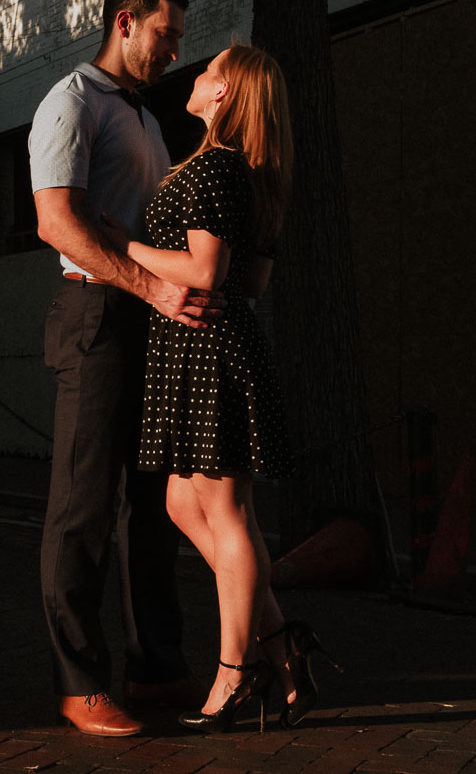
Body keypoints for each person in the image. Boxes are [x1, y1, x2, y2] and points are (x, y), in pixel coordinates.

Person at [112, 43, 338, 733]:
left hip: (207, 347)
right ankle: (281, 644)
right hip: (205, 345)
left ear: (226, 96)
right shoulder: (252, 174)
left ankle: (235, 676)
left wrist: (123, 247)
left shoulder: (214, 167)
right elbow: (255, 281)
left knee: (227, 512)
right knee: (185, 502)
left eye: (210, 71)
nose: (198, 76)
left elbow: (206, 271)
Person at [28, 0, 217, 738]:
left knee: (149, 507)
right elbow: (57, 225)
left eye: (179, 40)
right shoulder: (71, 100)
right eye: (166, 35)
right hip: (98, 314)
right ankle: (80, 683)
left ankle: (158, 666)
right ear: (125, 21)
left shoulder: (141, 115)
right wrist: (152, 288)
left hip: (148, 313)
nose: (175, 51)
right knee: (82, 507)